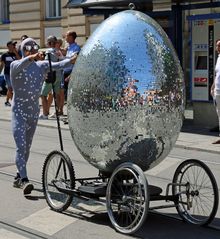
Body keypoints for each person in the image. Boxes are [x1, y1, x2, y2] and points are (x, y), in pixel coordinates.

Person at [10, 38, 78, 195]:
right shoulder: (15, 66)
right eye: (28, 49)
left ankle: (19, 175)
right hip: (18, 113)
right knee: (21, 146)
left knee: (26, 147)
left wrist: (73, 60)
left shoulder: (41, 66)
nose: (32, 51)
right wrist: (31, 57)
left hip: (33, 112)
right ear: (23, 51)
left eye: (34, 49)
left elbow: (60, 65)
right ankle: (25, 180)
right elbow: (22, 63)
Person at [39, 36, 62, 119]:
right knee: (56, 94)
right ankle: (56, 113)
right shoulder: (58, 51)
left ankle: (45, 114)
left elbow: (46, 64)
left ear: (49, 43)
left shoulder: (48, 51)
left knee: (43, 94)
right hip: (59, 75)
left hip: (51, 75)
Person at [60, 31, 81, 115]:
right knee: (65, 94)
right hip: (65, 71)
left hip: (70, 72)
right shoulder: (68, 47)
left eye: (67, 36)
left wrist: (71, 75)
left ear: (72, 37)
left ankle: (73, 114)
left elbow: (74, 60)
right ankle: (69, 113)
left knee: (70, 94)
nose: (65, 38)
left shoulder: (76, 48)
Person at [0, 41, 20, 106]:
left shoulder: (16, 54)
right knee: (10, 88)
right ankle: (14, 103)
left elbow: (20, 61)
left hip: (15, 74)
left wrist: (16, 53)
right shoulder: (4, 55)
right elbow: (2, 65)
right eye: (12, 45)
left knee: (11, 88)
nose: (14, 46)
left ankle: (7, 101)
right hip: (7, 74)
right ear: (8, 46)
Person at [211, 39, 220, 144]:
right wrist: (212, 86)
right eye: (217, 45)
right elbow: (217, 75)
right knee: (219, 114)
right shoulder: (218, 59)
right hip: (217, 91)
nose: (218, 47)